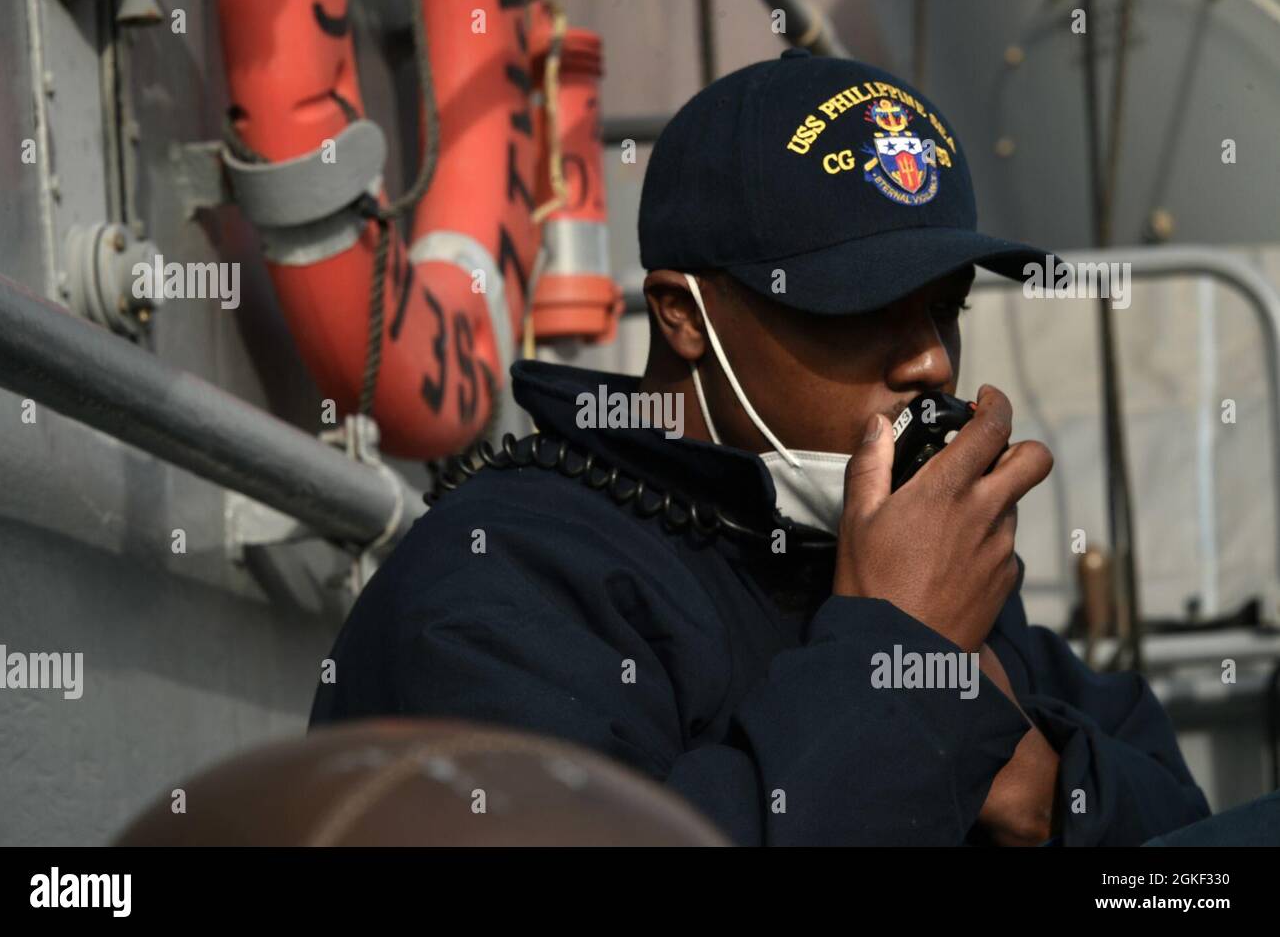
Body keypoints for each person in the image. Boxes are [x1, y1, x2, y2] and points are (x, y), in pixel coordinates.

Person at [310, 51, 1209, 845]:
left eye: (946, 306)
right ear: (682, 314)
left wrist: (1049, 796)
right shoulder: (495, 585)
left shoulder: (925, 571)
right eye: (861, 307)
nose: (931, 359)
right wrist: (897, 677)